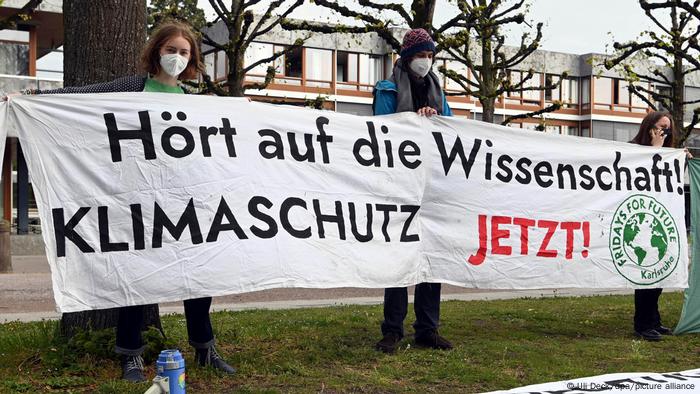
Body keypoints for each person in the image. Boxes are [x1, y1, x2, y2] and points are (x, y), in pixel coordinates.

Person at [5, 21, 236, 381]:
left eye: (184, 52)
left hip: (183, 203)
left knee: (198, 279)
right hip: (140, 203)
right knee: (138, 276)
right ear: (157, 50)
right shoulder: (133, 87)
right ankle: (130, 354)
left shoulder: (192, 103)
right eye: (171, 49)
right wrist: (34, 99)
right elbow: (85, 96)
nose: (176, 57)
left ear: (192, 60)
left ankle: (205, 348)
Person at [372, 28, 453, 354]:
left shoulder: (438, 90)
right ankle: (392, 329)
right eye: (421, 55)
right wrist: (413, 121)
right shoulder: (387, 87)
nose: (426, 62)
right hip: (398, 185)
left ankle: (427, 328)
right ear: (407, 57)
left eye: (431, 56)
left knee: (430, 256)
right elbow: (383, 126)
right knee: (399, 256)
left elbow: (449, 129)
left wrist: (435, 119)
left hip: (430, 184)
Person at [629, 110, 685, 341]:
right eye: (660, 127)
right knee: (646, 274)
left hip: (660, 217)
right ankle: (642, 324)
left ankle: (654, 320)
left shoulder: (668, 154)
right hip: (641, 216)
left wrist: (681, 158)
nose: (664, 131)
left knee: (659, 272)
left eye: (667, 128)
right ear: (649, 127)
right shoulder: (633, 150)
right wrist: (655, 148)